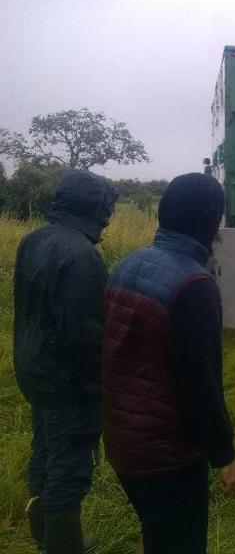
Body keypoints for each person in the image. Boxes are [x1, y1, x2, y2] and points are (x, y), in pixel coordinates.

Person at [102, 172, 235, 554]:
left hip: (121, 439)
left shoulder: (127, 264)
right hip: (165, 456)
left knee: (158, 529)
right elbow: (201, 383)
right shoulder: (193, 286)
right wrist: (224, 454)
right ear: (210, 221)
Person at [13, 169, 118, 554]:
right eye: (106, 209)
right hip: (66, 382)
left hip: (32, 370)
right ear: (93, 208)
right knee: (71, 466)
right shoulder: (83, 258)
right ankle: (63, 545)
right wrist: (97, 392)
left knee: (45, 447)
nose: (108, 218)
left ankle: (44, 532)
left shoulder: (33, 240)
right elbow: (85, 338)